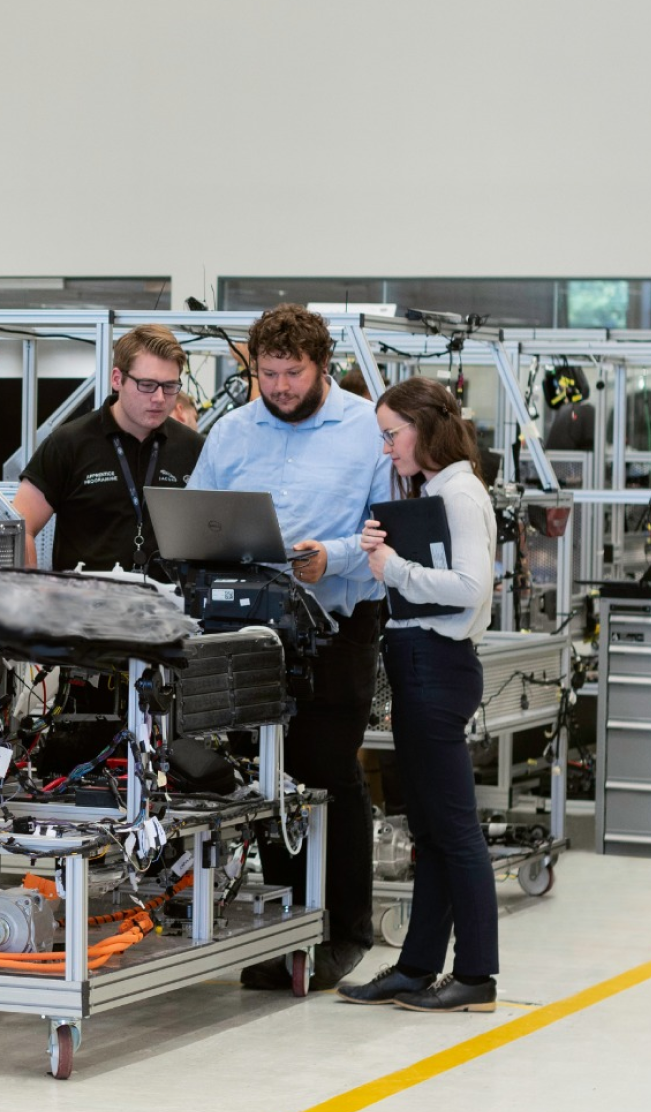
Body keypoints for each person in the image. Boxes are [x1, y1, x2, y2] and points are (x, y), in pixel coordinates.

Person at [189, 304, 387, 991]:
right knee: (268, 780)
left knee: (325, 770)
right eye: (268, 374)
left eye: (292, 373)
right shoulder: (232, 432)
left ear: (321, 365)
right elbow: (197, 516)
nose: (279, 387)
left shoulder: (366, 429)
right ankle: (288, 929)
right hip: (251, 632)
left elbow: (385, 529)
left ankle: (344, 931)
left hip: (337, 626)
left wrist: (331, 557)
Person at [339, 377, 500, 1013]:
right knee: (432, 831)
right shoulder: (435, 491)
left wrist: (395, 570)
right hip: (419, 663)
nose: (387, 449)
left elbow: (471, 588)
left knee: (455, 832)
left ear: (424, 426)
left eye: (391, 435)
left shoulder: (458, 493)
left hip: (437, 665)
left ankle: (477, 976)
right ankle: (416, 968)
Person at [13, 324, 203, 576]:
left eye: (169, 386)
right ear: (117, 379)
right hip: (85, 597)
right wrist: (30, 589)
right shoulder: (69, 444)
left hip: (169, 597)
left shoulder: (193, 448)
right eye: (147, 385)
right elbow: (21, 526)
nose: (159, 398)